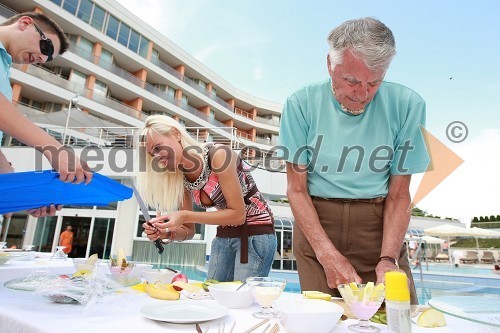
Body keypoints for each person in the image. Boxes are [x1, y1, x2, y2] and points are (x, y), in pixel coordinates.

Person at [279, 17, 429, 306]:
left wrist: (387, 259)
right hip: (316, 224)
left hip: (379, 227)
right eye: (351, 80)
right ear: (329, 65)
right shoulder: (300, 104)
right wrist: (325, 252)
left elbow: (399, 195)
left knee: (397, 317)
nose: (362, 95)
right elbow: (296, 190)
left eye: (374, 83)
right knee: (323, 319)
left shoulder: (409, 105)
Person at [139, 115, 277, 282]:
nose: (156, 156)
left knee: (241, 300)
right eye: (152, 153)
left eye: (157, 147)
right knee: (212, 296)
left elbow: (238, 215)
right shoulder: (180, 177)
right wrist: (168, 233)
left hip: (256, 233)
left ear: (176, 134)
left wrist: (184, 216)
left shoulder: (218, 155)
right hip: (225, 234)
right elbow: (189, 232)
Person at [0, 12, 92, 217]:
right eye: (46, 47)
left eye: (47, 59)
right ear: (25, 23)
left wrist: (27, 198)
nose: (42, 58)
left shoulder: (5, 73)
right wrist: (54, 149)